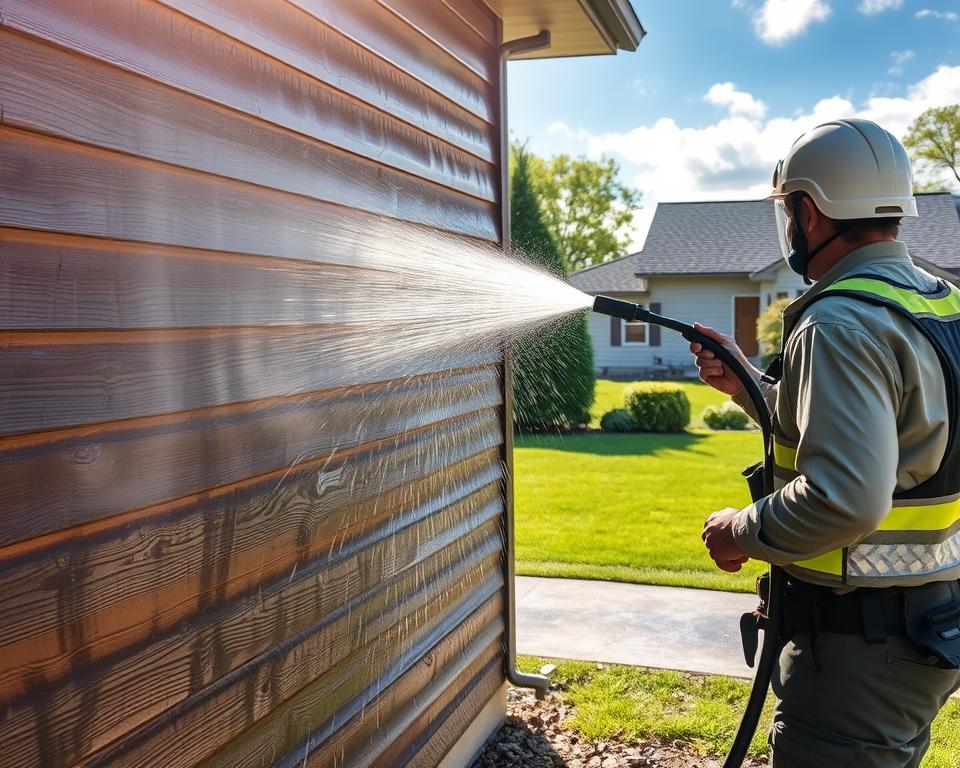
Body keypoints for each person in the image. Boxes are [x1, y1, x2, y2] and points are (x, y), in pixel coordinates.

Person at [689, 118, 960, 767]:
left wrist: (738, 530)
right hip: (928, 625)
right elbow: (888, 427)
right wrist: (748, 383)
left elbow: (843, 498)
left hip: (858, 646)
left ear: (807, 212)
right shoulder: (936, 303)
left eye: (787, 210)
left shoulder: (838, 321)